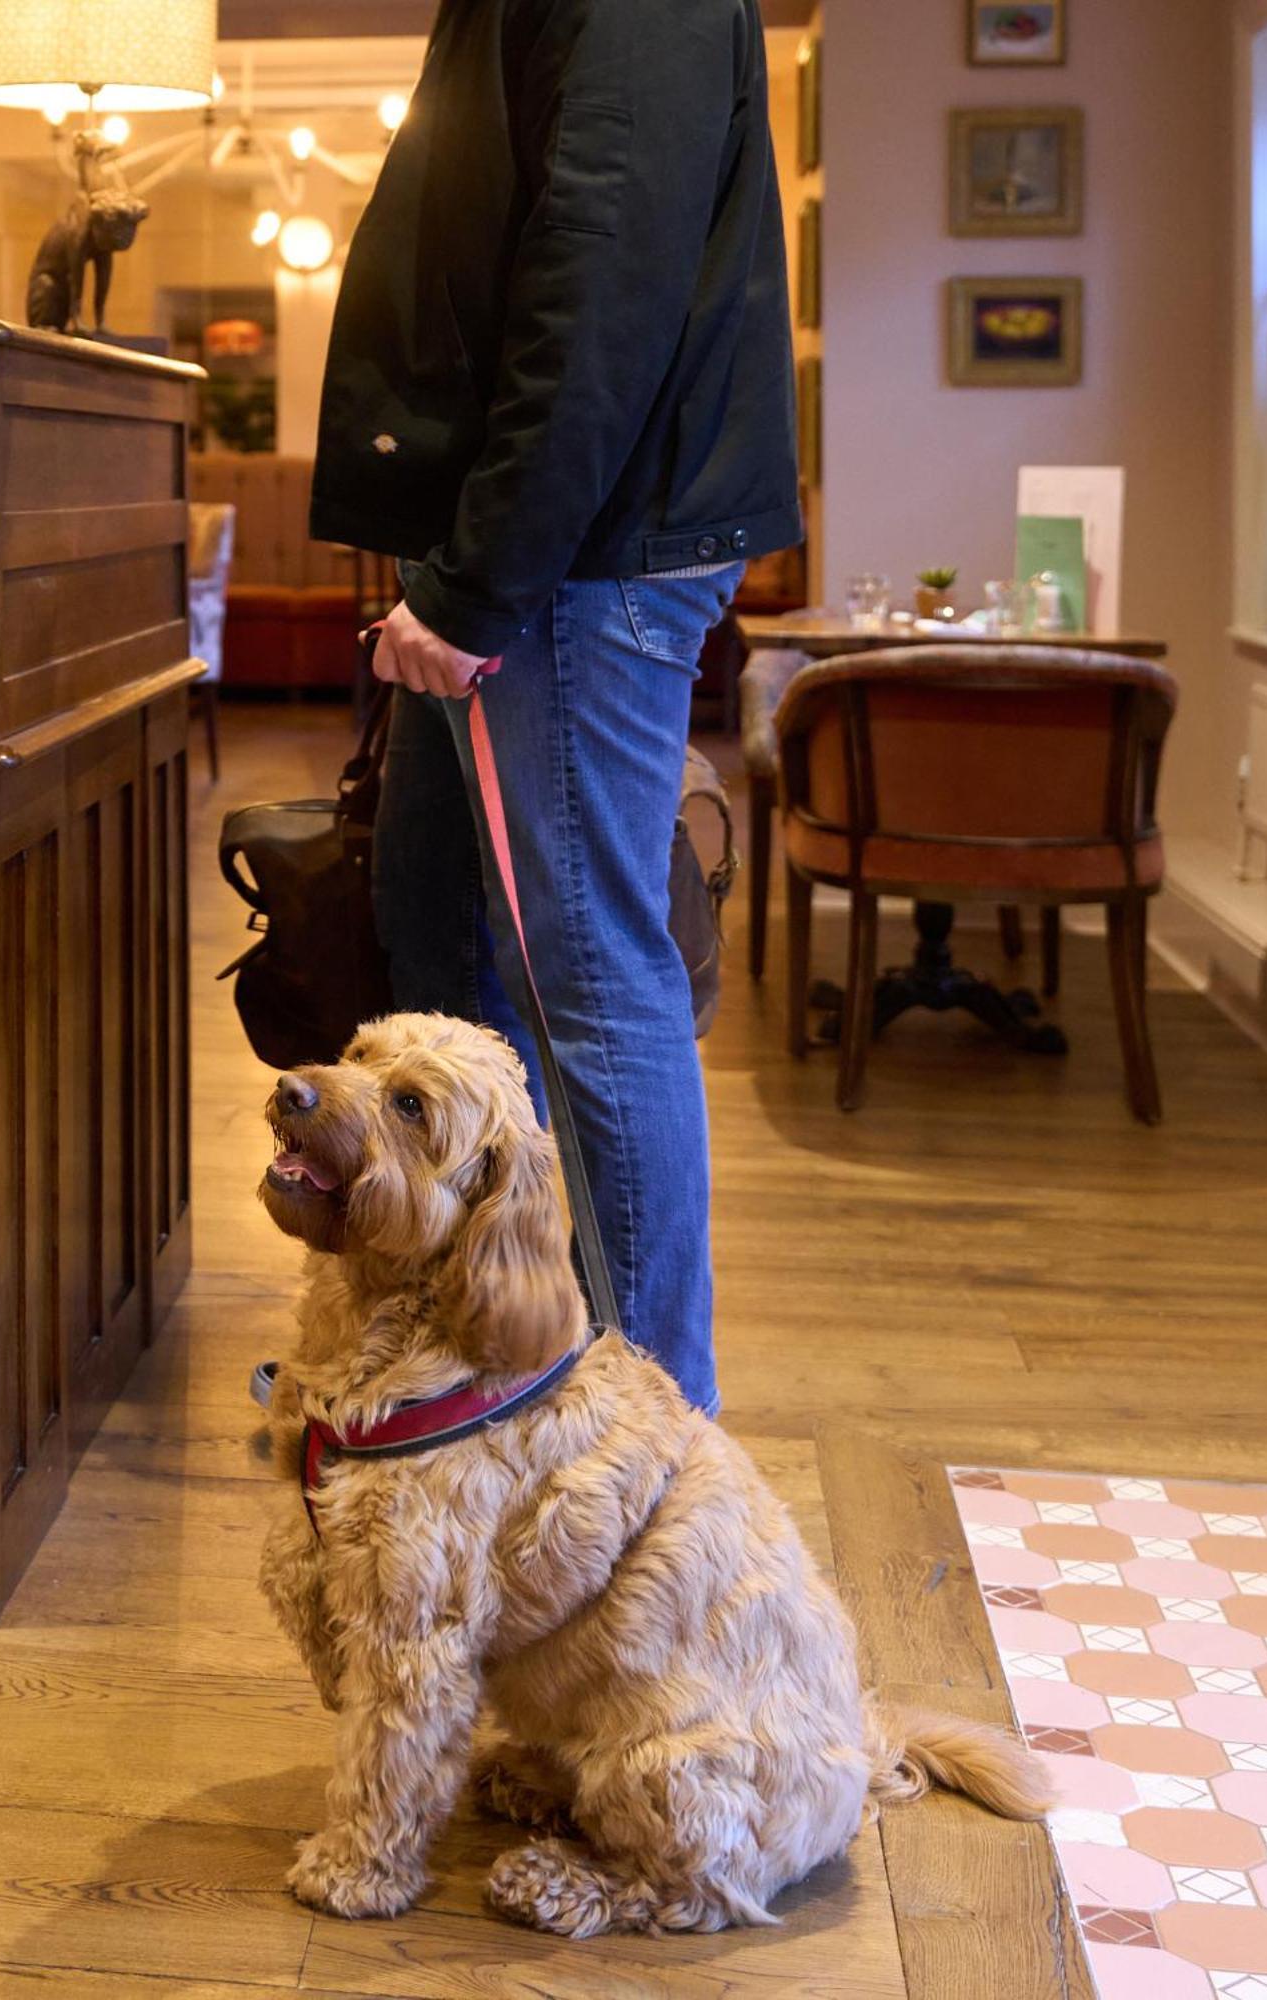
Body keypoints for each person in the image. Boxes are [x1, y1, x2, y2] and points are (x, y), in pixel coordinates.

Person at [309, 0, 798, 1417]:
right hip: (556, 550)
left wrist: (480, 585)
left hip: (577, 559)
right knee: (474, 972)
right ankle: (503, 1380)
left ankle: (644, 1445)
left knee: (587, 988)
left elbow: (603, 288)